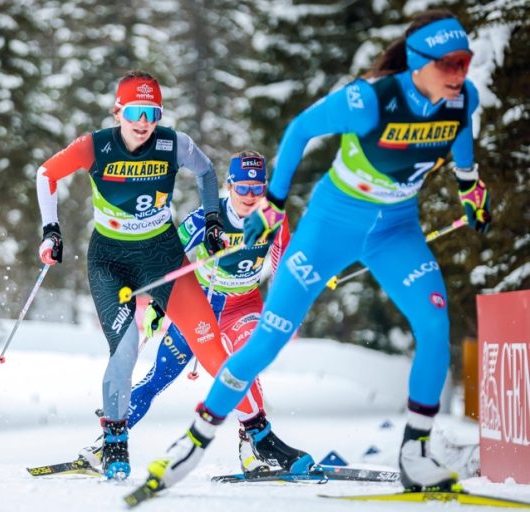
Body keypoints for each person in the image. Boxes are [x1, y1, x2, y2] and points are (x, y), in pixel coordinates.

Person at [137, 9, 489, 496]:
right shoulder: (369, 100)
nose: (460, 74)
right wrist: (275, 202)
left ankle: (415, 453)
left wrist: (470, 188)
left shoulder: (460, 98)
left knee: (434, 324)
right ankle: (193, 444)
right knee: (267, 340)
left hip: (395, 228)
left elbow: (463, 140)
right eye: (449, 64)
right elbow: (301, 128)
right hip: (334, 224)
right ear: (417, 62)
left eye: (465, 62)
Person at [35, 70, 235, 479]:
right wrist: (51, 230)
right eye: (136, 112)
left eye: (153, 112)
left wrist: (214, 220)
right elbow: (46, 173)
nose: (144, 121)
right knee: (126, 347)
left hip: (163, 257)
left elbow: (208, 171)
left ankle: (257, 434)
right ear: (119, 111)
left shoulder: (172, 143)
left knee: (210, 346)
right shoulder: (96, 146)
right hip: (110, 260)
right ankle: (114, 440)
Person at [80, 151, 312, 475]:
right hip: (201, 306)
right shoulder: (206, 218)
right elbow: (167, 261)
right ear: (229, 186)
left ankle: (253, 449)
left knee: (245, 363)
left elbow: (282, 261)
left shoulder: (273, 217)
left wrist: (295, 289)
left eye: (256, 189)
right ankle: (105, 444)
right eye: (242, 188)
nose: (249, 196)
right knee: (157, 378)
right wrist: (159, 305)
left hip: (243, 305)